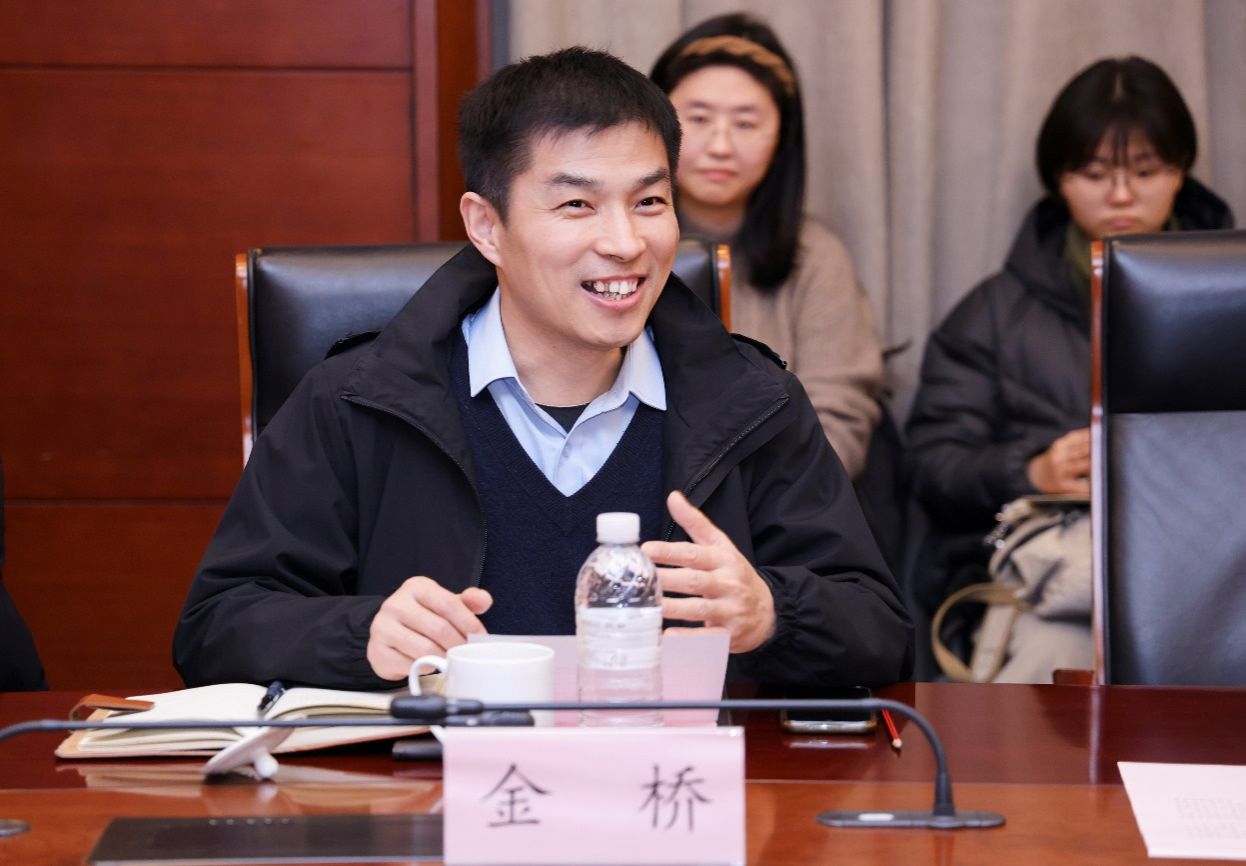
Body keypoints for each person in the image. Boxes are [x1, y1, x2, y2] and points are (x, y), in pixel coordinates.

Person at [174, 47, 912, 691]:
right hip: (437, 794)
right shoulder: (357, 400)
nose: (625, 243)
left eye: (650, 201)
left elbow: (881, 629)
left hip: (678, 791)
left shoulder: (750, 401)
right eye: (577, 204)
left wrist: (773, 613)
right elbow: (215, 626)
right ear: (486, 226)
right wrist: (360, 633)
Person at [906, 56, 1233, 680]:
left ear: (1181, 171)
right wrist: (1032, 470)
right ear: (1059, 178)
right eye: (1094, 174)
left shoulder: (1231, 293)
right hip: (1052, 580)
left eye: (1146, 172)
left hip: (1215, 567)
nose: (1121, 195)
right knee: (1054, 663)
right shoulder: (993, 313)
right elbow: (931, 466)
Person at [649, 14, 884, 480]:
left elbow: (837, 423)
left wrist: (747, 503)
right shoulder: (619, 244)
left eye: (745, 123)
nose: (720, 145)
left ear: (780, 138)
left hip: (777, 505)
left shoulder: (815, 256)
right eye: (698, 118)